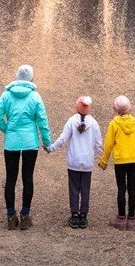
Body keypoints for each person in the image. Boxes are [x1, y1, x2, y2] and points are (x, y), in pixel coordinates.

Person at [0, 64, 52, 230]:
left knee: (11, 178)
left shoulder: (6, 95)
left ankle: (11, 216)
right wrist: (46, 142)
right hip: (30, 143)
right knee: (27, 177)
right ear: (31, 78)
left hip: (11, 143)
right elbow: (42, 121)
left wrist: (8, 130)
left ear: (17, 77)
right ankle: (25, 215)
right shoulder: (35, 97)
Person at [46, 96, 103, 229]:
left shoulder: (72, 121)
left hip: (73, 161)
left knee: (73, 188)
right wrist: (104, 158)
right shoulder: (94, 123)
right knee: (85, 189)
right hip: (87, 162)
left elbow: (63, 138)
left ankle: (74, 215)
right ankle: (83, 216)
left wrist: (51, 148)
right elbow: (98, 144)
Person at [97, 94, 135, 230]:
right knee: (132, 188)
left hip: (120, 161)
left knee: (121, 188)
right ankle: (132, 219)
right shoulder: (134, 122)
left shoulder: (114, 123)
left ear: (115, 109)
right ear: (129, 108)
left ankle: (121, 218)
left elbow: (108, 144)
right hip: (133, 159)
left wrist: (104, 161)